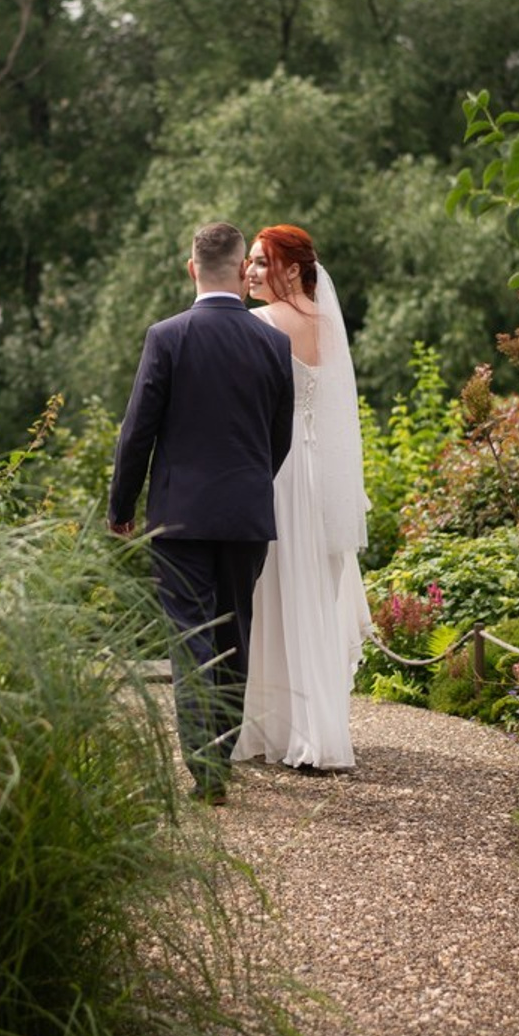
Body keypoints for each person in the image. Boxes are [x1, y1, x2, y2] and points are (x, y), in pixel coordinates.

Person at [109, 221, 295, 806]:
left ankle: (205, 771)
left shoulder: (166, 336)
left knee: (190, 638)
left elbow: (137, 431)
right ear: (244, 271)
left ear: (193, 268)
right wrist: (249, 486)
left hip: (179, 519)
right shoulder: (274, 344)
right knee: (234, 635)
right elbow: (279, 437)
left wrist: (122, 506)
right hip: (245, 516)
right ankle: (219, 757)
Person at [232, 224, 372, 772]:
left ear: (292, 270)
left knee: (273, 593)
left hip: (280, 469)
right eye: (251, 263)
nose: (252, 272)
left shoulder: (261, 323)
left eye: (263, 263)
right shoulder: (327, 324)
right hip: (320, 473)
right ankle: (316, 727)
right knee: (309, 590)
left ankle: (274, 727)